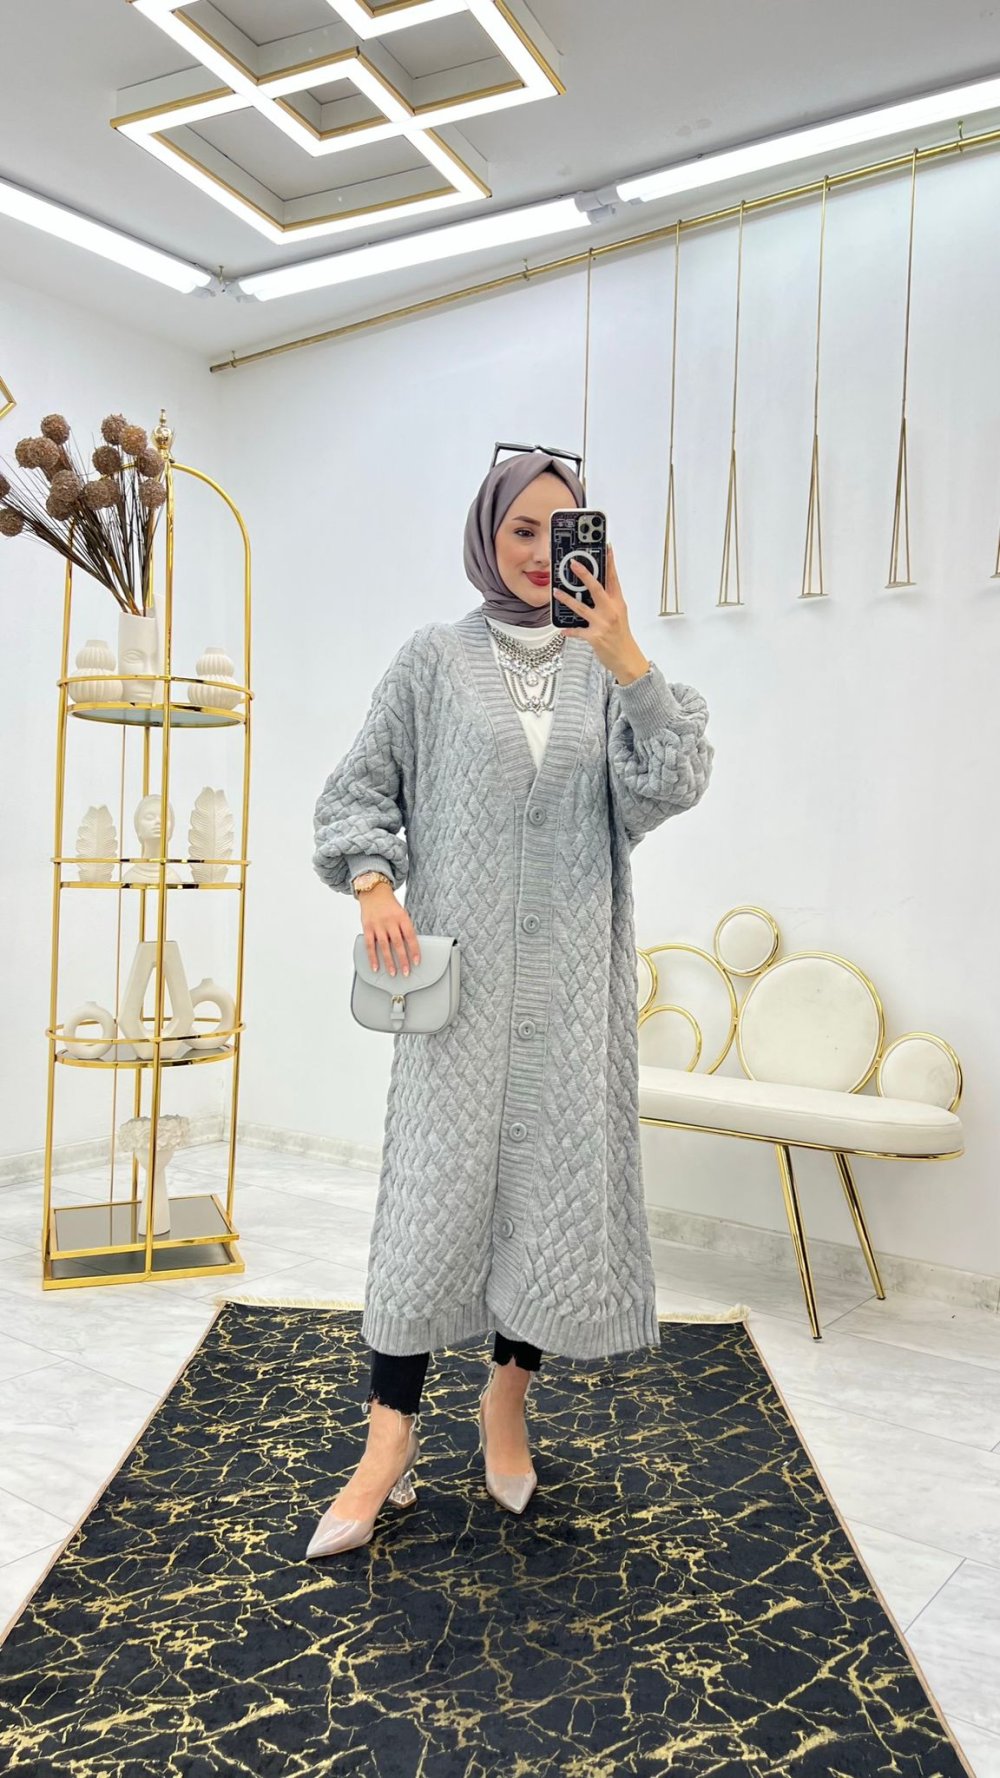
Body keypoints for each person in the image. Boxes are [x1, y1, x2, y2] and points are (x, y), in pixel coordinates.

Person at [306, 446, 715, 1558]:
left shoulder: (606, 671)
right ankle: (387, 1441)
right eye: (522, 529)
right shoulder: (432, 661)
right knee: (426, 1212)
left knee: (545, 1203)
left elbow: (671, 782)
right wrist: (373, 882)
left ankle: (505, 1402)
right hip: (460, 991)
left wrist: (625, 655)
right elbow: (358, 788)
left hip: (571, 993)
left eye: (562, 530)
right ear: (487, 534)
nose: (541, 552)